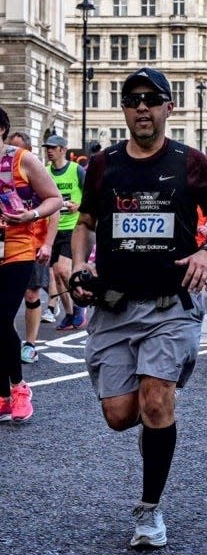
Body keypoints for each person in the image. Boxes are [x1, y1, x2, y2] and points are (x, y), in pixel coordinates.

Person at [70, 67, 207, 549]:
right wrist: (81, 266)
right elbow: (84, 222)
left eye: (152, 99)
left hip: (172, 305)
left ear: (169, 107)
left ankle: (149, 510)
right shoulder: (103, 164)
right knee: (121, 415)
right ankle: (153, 408)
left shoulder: (190, 162)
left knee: (156, 401)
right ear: (124, 109)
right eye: (133, 99)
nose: (141, 107)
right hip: (115, 306)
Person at [0, 108, 62, 423]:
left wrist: (31, 215)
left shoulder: (21, 159)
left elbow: (53, 199)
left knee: (0, 320)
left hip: (17, 249)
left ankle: (18, 388)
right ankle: (3, 396)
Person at [6, 133, 60, 364]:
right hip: (7, 244)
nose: (10, 152)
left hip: (33, 242)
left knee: (31, 293)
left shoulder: (32, 168)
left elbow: (55, 206)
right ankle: (11, 343)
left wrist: (48, 244)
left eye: (16, 149)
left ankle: (30, 343)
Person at [43, 133, 87, 331]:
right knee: (57, 275)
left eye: (53, 148)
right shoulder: (44, 172)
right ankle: (69, 313)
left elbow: (92, 195)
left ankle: (79, 306)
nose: (49, 151)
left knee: (63, 270)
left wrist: (79, 205)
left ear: (63, 150)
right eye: (47, 148)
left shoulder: (76, 170)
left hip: (72, 227)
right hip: (51, 229)